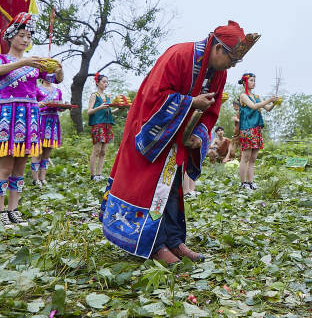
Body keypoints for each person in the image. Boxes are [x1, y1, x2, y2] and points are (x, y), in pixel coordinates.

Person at [100, 21, 258, 265]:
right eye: (230, 59)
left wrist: (200, 134)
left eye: (235, 63)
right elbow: (155, 96)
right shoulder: (179, 55)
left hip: (178, 136)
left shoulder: (219, 72)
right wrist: (191, 103)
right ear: (217, 48)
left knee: (172, 186)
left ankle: (174, 240)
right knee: (152, 188)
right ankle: (155, 244)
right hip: (152, 131)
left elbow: (212, 108)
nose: (231, 66)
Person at [0, 12, 64, 228]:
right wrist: (25, 62)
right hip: (8, 115)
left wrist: (58, 67)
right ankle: (0, 212)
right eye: (21, 35)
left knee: (20, 166)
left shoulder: (34, 63)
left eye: (28, 36)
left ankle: (14, 209)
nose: (25, 39)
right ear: (11, 36)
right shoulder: (0, 59)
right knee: (5, 165)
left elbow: (56, 79)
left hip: (30, 116)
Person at [237, 73, 278, 190]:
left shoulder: (257, 96)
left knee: (253, 158)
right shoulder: (243, 96)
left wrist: (274, 103)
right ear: (245, 82)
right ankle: (243, 183)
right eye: (251, 80)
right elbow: (254, 106)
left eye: (254, 80)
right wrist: (269, 99)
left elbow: (268, 109)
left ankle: (251, 182)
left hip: (256, 129)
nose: (253, 82)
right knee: (245, 157)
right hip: (247, 128)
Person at [31, 79, 62, 187]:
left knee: (47, 151)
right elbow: (32, 104)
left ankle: (42, 178)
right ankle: (35, 179)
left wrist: (63, 106)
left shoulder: (58, 91)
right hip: (40, 120)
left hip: (53, 121)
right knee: (38, 151)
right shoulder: (36, 89)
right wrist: (38, 104)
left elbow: (60, 105)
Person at [88, 73, 116, 181]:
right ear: (97, 82)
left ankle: (99, 174)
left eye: (107, 82)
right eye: (104, 82)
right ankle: (93, 175)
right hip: (98, 124)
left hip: (107, 124)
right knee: (96, 150)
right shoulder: (94, 95)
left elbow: (108, 111)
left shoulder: (108, 97)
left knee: (104, 151)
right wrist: (99, 107)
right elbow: (89, 111)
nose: (106, 84)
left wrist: (118, 109)